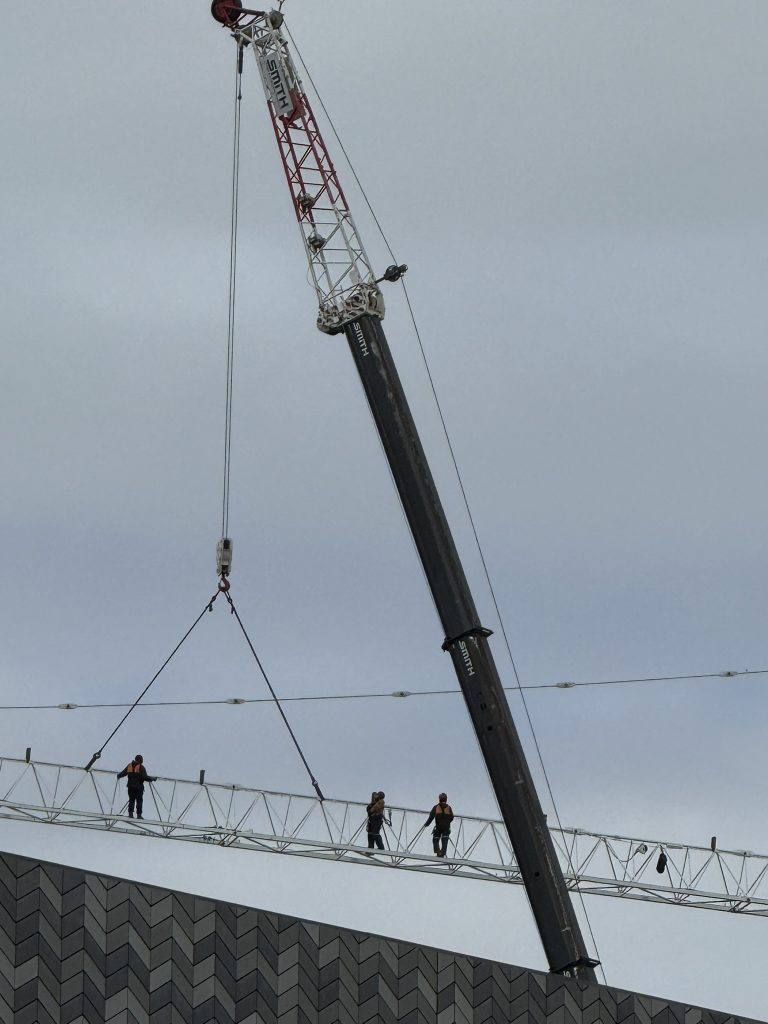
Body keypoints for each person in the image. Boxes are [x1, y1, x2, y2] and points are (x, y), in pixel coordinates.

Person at [117, 754, 156, 819]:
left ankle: (130, 814)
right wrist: (152, 779)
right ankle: (139, 815)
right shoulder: (141, 767)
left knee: (131, 800)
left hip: (130, 787)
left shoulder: (130, 765)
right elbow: (145, 777)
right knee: (139, 801)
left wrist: (119, 775)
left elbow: (123, 773)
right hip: (138, 788)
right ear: (140, 760)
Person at [424, 793, 454, 857]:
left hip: (439, 826)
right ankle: (443, 853)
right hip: (446, 827)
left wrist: (426, 824)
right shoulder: (449, 807)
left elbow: (431, 817)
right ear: (446, 799)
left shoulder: (436, 807)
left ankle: (438, 852)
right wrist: (447, 822)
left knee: (436, 838)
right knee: (445, 839)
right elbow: (452, 817)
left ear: (439, 799)